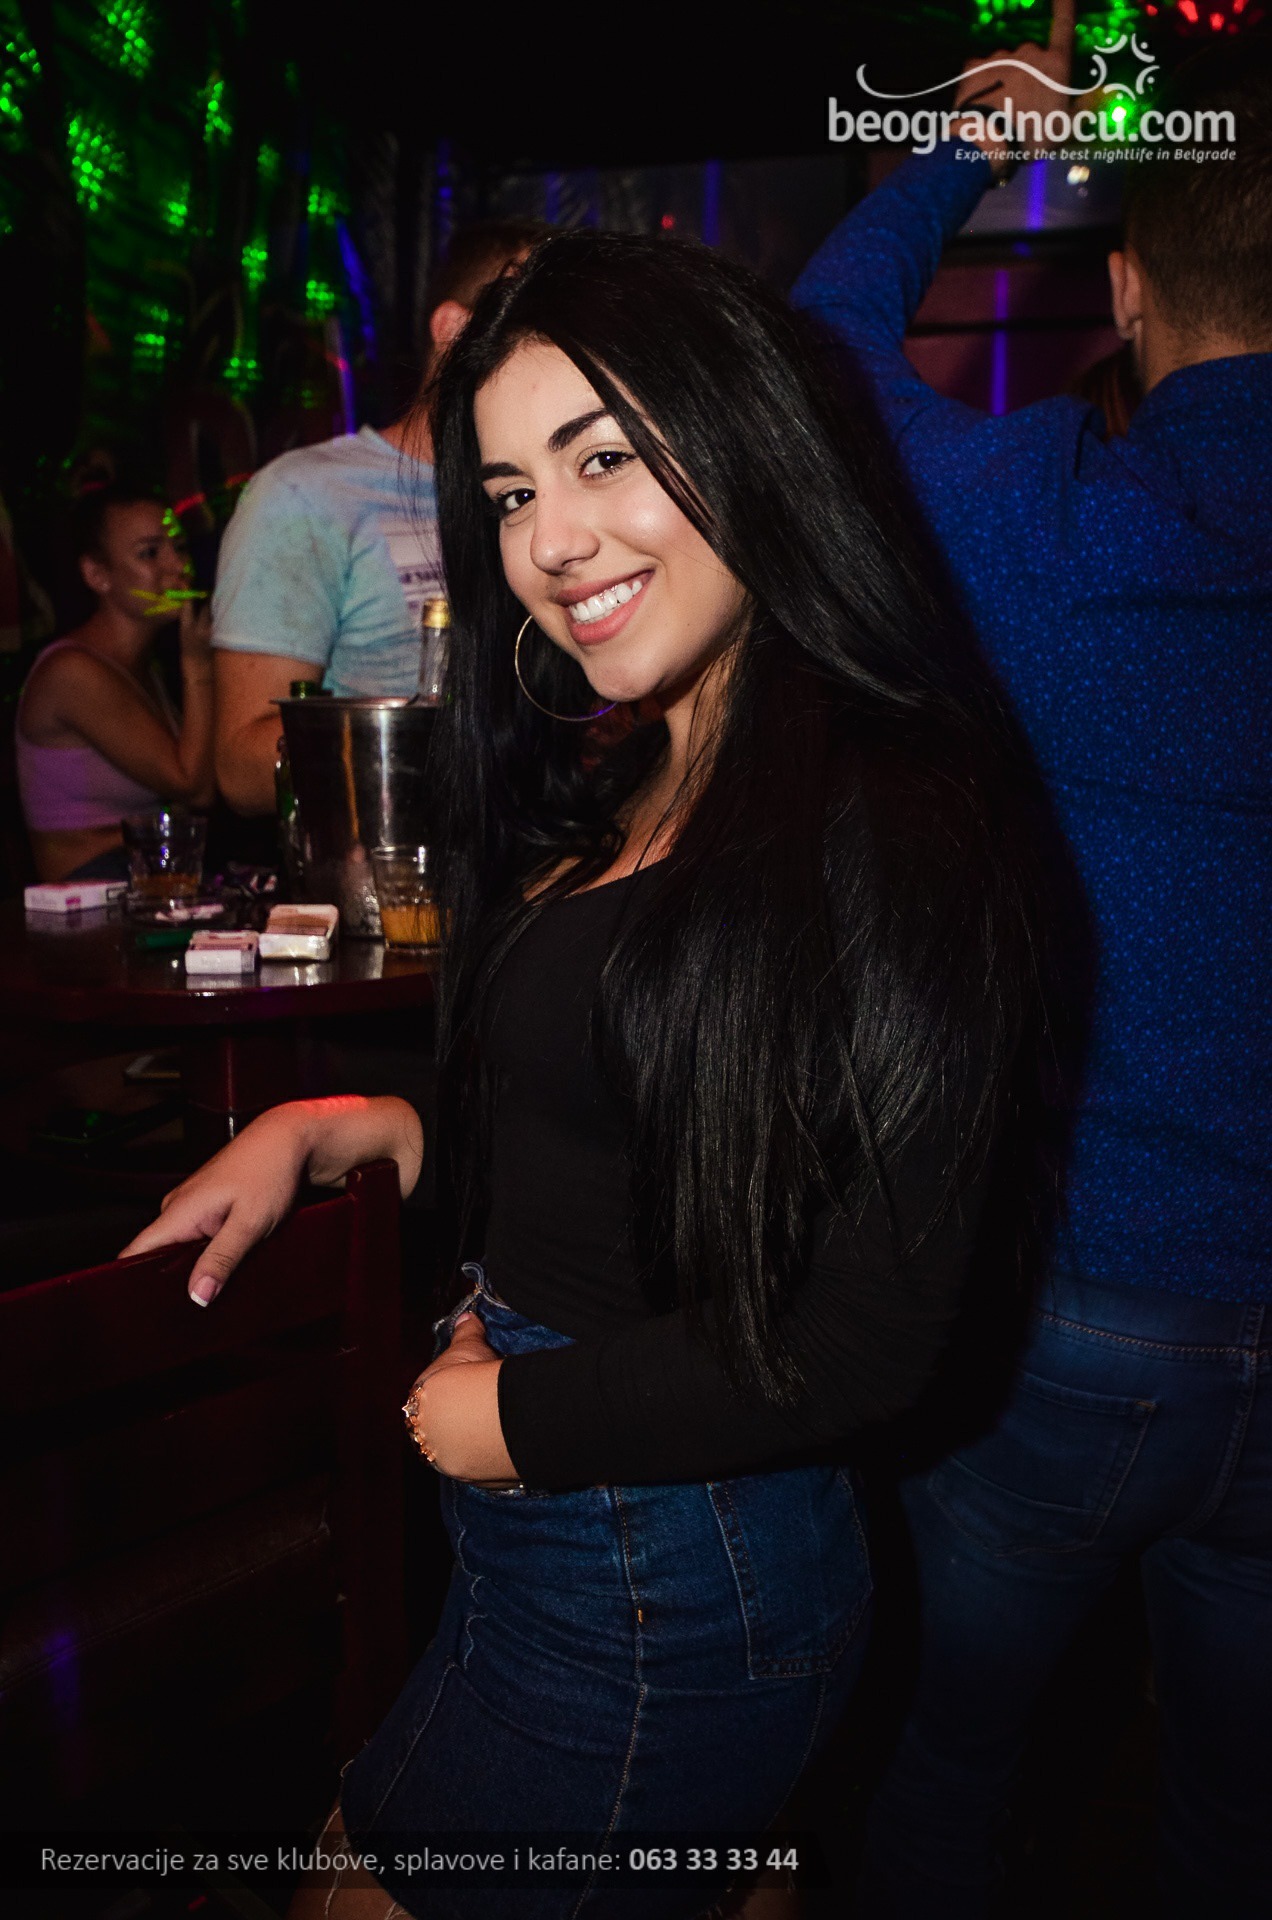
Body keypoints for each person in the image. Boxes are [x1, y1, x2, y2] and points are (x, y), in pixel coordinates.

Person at [123, 224, 1043, 1920]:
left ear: (750, 437)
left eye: (602, 458)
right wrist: (356, 1126)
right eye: (507, 492)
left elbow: (872, 1335)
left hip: (653, 1572)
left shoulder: (895, 816)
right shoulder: (655, 772)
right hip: (616, 1547)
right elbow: (637, 1131)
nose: (548, 540)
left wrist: (504, 1425)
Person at [791, 9, 1272, 1915]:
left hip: (1081, 1314)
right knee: (1238, 1821)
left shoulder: (1044, 527)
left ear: (1128, 287)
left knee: (941, 1774)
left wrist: (982, 142)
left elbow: (819, 351)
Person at [211, 219, 549, 816]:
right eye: (535, 328)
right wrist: (449, 734)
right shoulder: (308, 494)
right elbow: (241, 769)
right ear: (454, 330)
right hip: (383, 863)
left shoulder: (550, 500)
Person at [16, 485, 214, 882]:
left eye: (179, 547)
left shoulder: (143, 667)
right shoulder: (72, 671)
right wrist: (198, 663)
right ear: (98, 575)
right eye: (150, 553)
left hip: (145, 873)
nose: (178, 565)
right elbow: (193, 785)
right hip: (87, 890)